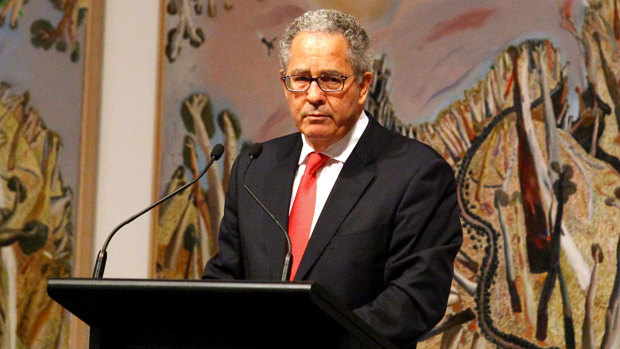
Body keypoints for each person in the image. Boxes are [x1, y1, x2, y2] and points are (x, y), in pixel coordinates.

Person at [202, 9, 462, 348]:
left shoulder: (416, 173)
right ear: (285, 83)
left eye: (331, 79)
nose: (313, 95)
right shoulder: (255, 168)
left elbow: (413, 300)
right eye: (300, 79)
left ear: (364, 85)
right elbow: (224, 279)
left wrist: (316, 340)